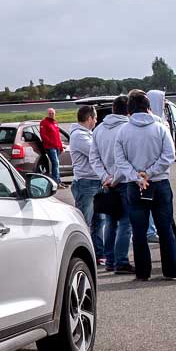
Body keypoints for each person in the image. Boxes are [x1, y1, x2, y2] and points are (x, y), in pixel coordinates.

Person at [115, 92, 176, 281]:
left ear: (129, 110)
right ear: (148, 107)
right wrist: (150, 173)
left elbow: (120, 161)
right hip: (159, 183)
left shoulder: (123, 131)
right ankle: (171, 270)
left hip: (135, 186)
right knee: (165, 228)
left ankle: (143, 272)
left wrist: (137, 177)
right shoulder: (160, 128)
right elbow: (169, 155)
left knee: (139, 231)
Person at [145, 89, 176, 262]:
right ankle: (172, 254)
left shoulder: (161, 122)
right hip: (154, 178)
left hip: (147, 177)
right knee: (162, 218)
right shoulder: (158, 125)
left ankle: (174, 250)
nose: (165, 104)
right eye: (162, 101)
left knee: (165, 218)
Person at [93, 95, 133, 274]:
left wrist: (104, 177)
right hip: (123, 181)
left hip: (107, 182)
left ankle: (109, 260)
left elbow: (93, 157)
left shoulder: (99, 128)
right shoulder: (127, 128)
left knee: (110, 222)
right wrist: (115, 178)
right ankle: (121, 261)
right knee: (126, 222)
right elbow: (126, 159)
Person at [68, 105, 104, 260]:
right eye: (95, 118)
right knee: (85, 222)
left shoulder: (88, 134)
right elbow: (96, 153)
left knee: (99, 221)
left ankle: (99, 254)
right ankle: (83, 255)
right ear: (89, 118)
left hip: (96, 181)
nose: (96, 121)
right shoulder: (78, 135)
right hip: (85, 183)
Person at [39, 107, 64, 185]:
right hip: (50, 147)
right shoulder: (44, 122)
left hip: (57, 147)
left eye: (52, 113)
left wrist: (61, 146)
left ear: (55, 114)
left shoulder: (55, 123)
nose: (51, 115)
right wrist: (51, 143)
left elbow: (58, 136)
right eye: (50, 113)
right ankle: (56, 180)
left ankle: (58, 180)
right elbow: (43, 135)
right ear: (47, 114)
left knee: (57, 163)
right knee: (55, 162)